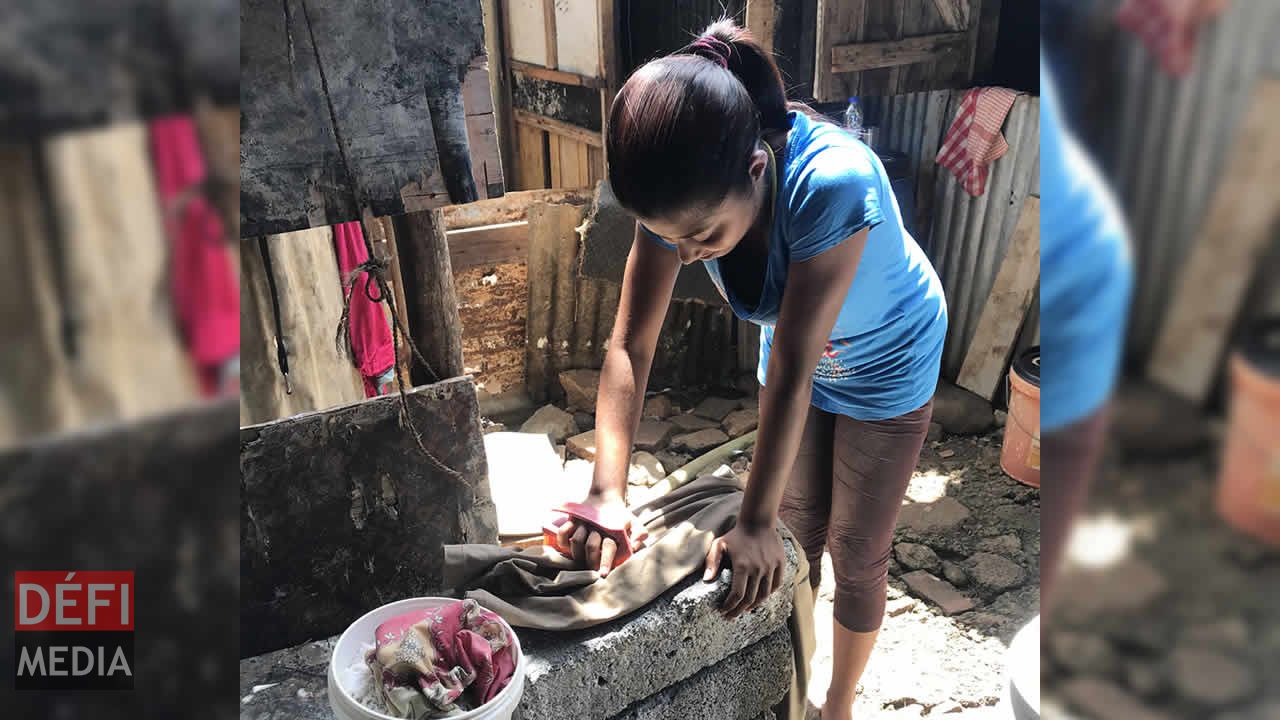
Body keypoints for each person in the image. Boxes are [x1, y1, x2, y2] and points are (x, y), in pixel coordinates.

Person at [552, 20, 948, 719]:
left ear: (758, 170)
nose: (690, 252)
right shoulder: (681, 197)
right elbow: (628, 347)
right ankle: (795, 671)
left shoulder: (832, 183)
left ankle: (838, 705)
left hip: (889, 354)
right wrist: (605, 491)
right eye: (673, 239)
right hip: (802, 353)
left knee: (857, 548)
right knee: (799, 525)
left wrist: (754, 521)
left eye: (703, 236)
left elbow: (795, 366)